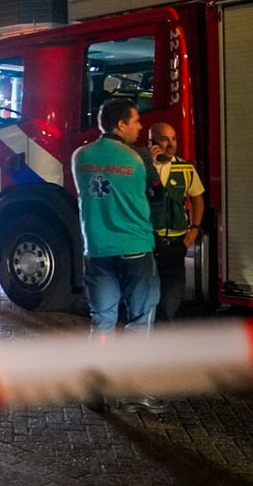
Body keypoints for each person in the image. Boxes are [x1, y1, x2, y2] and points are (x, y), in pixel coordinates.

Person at [71, 98, 166, 413]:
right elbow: (157, 192)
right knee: (140, 320)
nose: (141, 127)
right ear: (120, 124)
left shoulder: (80, 156)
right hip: (135, 249)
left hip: (97, 250)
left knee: (102, 320)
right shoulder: (138, 156)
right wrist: (154, 163)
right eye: (136, 121)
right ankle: (135, 392)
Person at [148, 122, 205, 322]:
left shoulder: (185, 168)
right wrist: (149, 164)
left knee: (172, 295)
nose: (171, 144)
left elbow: (197, 199)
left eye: (174, 139)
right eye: (164, 139)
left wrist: (194, 229)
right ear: (152, 142)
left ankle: (161, 333)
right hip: (147, 241)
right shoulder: (140, 167)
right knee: (146, 294)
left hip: (174, 244)